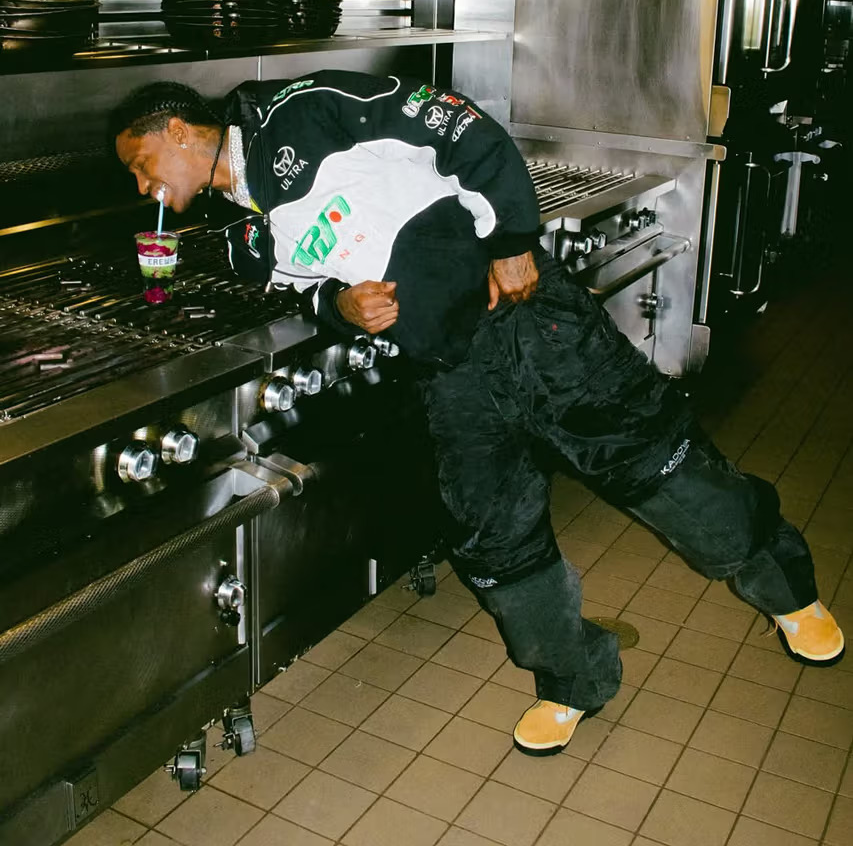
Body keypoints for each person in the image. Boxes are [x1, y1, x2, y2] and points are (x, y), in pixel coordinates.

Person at [111, 70, 844, 757]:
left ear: (179, 131)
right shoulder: (243, 234)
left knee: (652, 463)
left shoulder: (306, 108)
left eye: (142, 165)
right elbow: (304, 291)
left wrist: (513, 242)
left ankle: (787, 592)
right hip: (447, 371)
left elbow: (464, 129)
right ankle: (572, 680)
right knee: (494, 534)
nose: (144, 185)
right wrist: (338, 305)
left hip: (529, 322)